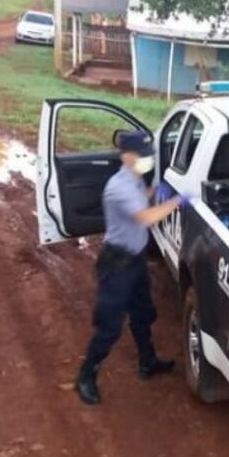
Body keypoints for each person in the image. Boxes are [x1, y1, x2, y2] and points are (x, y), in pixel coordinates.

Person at [76, 130, 188, 405]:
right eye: (142, 156)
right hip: (117, 265)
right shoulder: (118, 187)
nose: (146, 161)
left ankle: (147, 362)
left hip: (135, 260)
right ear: (127, 156)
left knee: (143, 313)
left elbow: (143, 197)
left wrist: (156, 191)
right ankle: (86, 375)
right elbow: (145, 217)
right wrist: (175, 201)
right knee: (110, 326)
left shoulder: (134, 179)